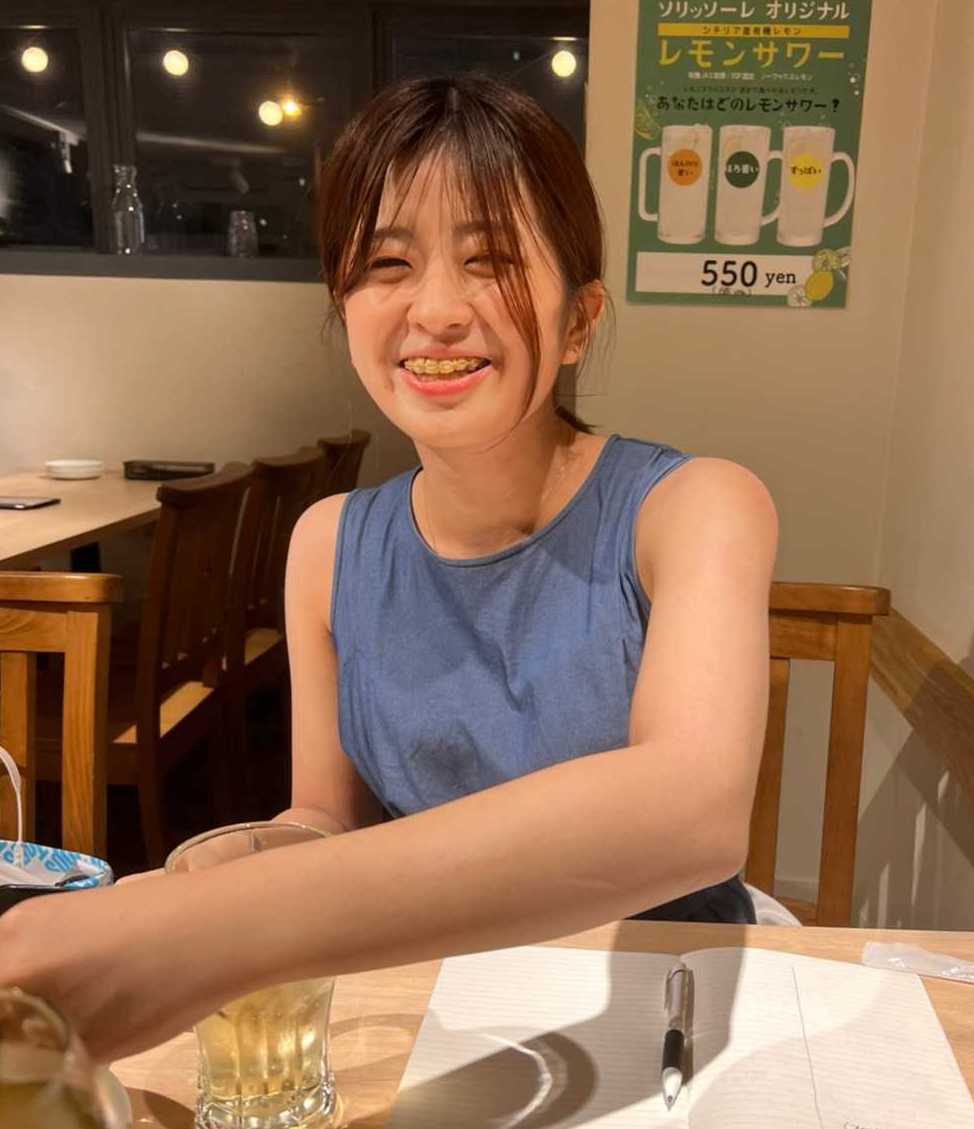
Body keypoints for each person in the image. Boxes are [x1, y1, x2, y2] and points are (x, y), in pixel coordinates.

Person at [0, 76, 777, 1062]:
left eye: (491, 260)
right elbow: (326, 820)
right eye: (387, 264)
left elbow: (690, 809)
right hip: (449, 1014)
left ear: (579, 320)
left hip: (670, 1018)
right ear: (345, 306)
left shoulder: (695, 506)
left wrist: (203, 929)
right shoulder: (328, 542)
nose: (436, 310)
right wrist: (211, 876)